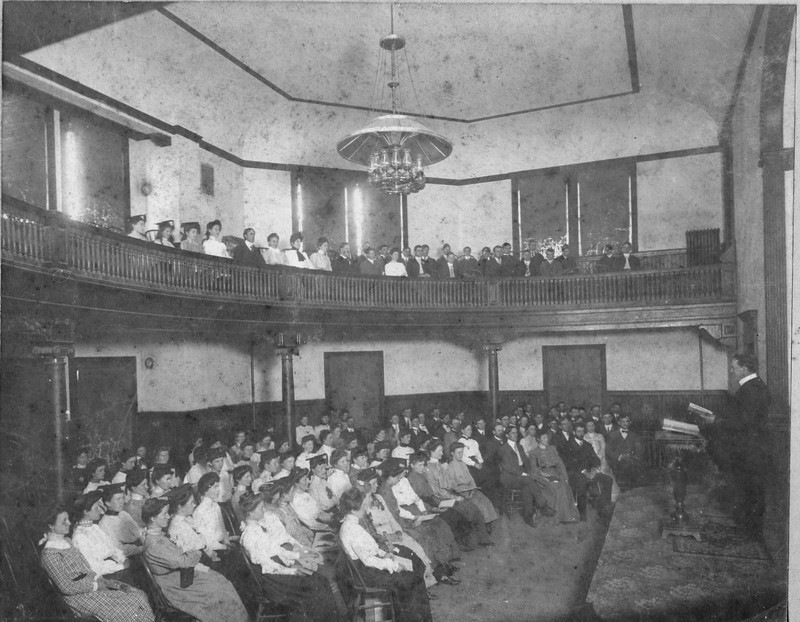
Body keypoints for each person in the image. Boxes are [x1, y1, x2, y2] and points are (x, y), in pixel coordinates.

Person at [239, 490, 346, 621]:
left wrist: (297, 556)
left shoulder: (258, 527)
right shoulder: (250, 536)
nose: (264, 510)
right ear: (251, 513)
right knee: (316, 585)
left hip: (277, 569)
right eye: (261, 508)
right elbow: (267, 565)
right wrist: (293, 571)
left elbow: (276, 550)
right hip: (270, 580)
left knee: (320, 580)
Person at [40, 506, 154, 622]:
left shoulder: (67, 542)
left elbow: (85, 567)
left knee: (137, 595)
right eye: (64, 521)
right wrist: (96, 585)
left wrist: (102, 581)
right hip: (80, 598)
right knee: (130, 606)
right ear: (51, 525)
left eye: (68, 519)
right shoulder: (50, 554)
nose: (69, 523)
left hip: (95, 584)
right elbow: (67, 587)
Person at [141, 498, 248, 622]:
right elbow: (184, 561)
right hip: (174, 586)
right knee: (220, 588)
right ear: (153, 518)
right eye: (164, 514)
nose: (169, 516)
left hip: (180, 576)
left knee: (221, 581)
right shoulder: (154, 544)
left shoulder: (157, 536)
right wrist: (197, 550)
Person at [338, 488, 433, 622]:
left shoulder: (350, 524)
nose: (366, 508)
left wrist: (385, 554)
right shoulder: (353, 529)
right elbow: (368, 560)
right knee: (412, 579)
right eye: (364, 505)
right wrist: (393, 565)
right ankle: (417, 618)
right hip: (368, 574)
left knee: (411, 566)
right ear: (354, 509)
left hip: (367, 568)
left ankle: (416, 617)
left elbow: (371, 549)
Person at [705, 353, 772, 536]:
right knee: (749, 489)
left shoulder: (751, 389)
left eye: (734, 368)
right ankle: (749, 528)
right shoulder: (753, 386)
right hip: (751, 447)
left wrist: (716, 421)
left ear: (745, 368)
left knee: (750, 489)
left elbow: (744, 422)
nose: (731, 371)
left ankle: (751, 530)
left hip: (750, 449)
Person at [70, 491, 131, 583]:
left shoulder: (95, 527)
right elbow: (94, 568)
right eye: (96, 507)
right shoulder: (79, 536)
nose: (100, 510)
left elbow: (113, 548)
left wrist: (123, 559)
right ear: (86, 512)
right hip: (103, 578)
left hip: (116, 569)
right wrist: (121, 567)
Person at [561, 422, 613, 521]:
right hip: (574, 472)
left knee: (607, 480)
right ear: (573, 432)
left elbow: (596, 460)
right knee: (582, 482)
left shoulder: (587, 445)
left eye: (582, 431)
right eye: (578, 431)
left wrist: (594, 470)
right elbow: (569, 463)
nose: (581, 433)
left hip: (590, 472)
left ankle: (604, 508)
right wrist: (585, 472)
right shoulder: (568, 445)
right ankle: (582, 513)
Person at [498, 428, 548, 527]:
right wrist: (524, 474)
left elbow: (527, 462)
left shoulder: (519, 447)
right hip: (509, 477)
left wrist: (529, 472)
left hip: (521, 477)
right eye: (513, 433)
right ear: (507, 435)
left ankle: (528, 516)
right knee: (530, 480)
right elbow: (509, 467)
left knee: (527, 487)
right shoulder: (503, 449)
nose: (516, 434)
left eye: (516, 432)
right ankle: (542, 503)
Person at [528, 430, 579, 523]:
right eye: (543, 437)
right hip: (543, 475)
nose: (546, 439)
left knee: (564, 485)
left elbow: (560, 464)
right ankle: (560, 516)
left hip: (555, 473)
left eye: (547, 437)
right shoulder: (534, 452)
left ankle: (568, 516)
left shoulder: (552, 448)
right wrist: (543, 474)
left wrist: (565, 477)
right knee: (556, 488)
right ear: (538, 439)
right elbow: (534, 469)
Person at [191, 473, 233, 558]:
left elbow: (222, 529)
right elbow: (206, 541)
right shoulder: (200, 512)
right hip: (214, 551)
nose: (219, 490)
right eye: (215, 487)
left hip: (223, 544)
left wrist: (228, 540)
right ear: (206, 489)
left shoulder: (215, 505)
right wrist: (225, 547)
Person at [99, 483, 145, 558]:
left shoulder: (124, 514)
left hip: (141, 549)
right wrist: (141, 548)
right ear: (108, 503)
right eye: (118, 499)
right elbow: (117, 548)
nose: (122, 502)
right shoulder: (105, 523)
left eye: (122, 498)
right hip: (129, 557)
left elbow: (137, 531)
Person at [605, 414, 644, 490]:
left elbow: (639, 450)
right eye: (622, 421)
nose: (625, 423)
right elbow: (608, 450)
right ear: (619, 423)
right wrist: (619, 456)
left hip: (631, 462)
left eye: (627, 421)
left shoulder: (635, 436)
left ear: (630, 423)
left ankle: (631, 492)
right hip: (616, 462)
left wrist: (631, 456)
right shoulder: (612, 435)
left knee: (632, 469)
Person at [584, 420, 620, 502]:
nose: (591, 427)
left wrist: (600, 457)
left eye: (592, 425)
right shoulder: (584, 437)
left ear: (595, 426)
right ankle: (595, 493)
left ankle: (609, 495)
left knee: (604, 469)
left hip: (601, 458)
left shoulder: (600, 436)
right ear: (586, 427)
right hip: (590, 460)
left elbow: (603, 448)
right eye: (589, 426)